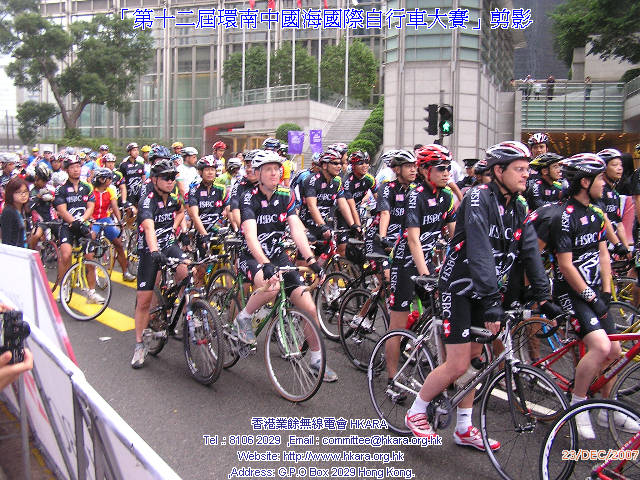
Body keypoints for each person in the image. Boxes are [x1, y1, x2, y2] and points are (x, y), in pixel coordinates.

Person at [405, 141, 563, 447]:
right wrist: (492, 301)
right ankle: (416, 410)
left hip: (486, 291)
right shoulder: (478, 197)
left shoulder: (518, 205)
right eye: (519, 169)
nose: (526, 174)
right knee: (458, 364)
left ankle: (464, 428)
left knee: (476, 361)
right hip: (459, 287)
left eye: (527, 169)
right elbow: (478, 249)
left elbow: (530, 250)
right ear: (499, 171)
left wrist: (544, 297)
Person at [534, 153, 634, 438]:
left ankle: (607, 408)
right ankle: (578, 406)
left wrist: (606, 291)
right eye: (600, 178)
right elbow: (565, 265)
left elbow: (602, 253)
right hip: (571, 292)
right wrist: (591, 297)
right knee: (601, 348)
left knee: (615, 352)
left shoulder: (597, 212)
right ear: (585, 182)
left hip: (594, 291)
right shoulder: (565, 216)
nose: (604, 183)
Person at [235, 149, 336, 381]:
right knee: (271, 287)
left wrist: (311, 261)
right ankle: (244, 316)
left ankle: (316, 360)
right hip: (251, 256)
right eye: (268, 169)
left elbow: (296, 229)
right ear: (258, 173)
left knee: (309, 308)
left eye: (277, 169)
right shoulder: (249, 197)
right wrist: (264, 263)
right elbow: (250, 235)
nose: (274, 173)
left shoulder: (286, 194)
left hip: (277, 254)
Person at [131, 158, 187, 369]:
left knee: (186, 271)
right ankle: (139, 344)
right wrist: (154, 250)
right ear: (154, 179)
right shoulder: (147, 201)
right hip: (150, 250)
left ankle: (189, 315)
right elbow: (148, 228)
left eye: (173, 177)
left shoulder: (173, 199)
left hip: (169, 245)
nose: (170, 181)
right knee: (144, 300)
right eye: (166, 178)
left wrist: (175, 228)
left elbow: (181, 211)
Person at [53, 155, 101, 302]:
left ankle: (91, 292)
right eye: (72, 167)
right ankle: (64, 287)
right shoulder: (61, 189)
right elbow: (61, 210)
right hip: (67, 227)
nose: (76, 170)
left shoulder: (87, 187)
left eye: (78, 166)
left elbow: (91, 206)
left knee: (90, 258)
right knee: (66, 255)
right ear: (67, 170)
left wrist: (82, 220)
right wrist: (73, 222)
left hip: (82, 225)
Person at [297, 149, 356, 259]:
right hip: (308, 226)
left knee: (324, 261)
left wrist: (353, 224)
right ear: (324, 165)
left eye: (340, 163)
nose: (339, 166)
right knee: (307, 263)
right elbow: (312, 206)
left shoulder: (337, 181)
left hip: (325, 226)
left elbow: (343, 204)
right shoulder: (311, 180)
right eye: (335, 163)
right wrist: (322, 226)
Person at [91, 168, 135, 282]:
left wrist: (119, 221)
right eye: (109, 178)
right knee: (90, 241)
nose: (111, 180)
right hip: (93, 219)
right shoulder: (91, 190)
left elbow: (114, 206)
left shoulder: (110, 191)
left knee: (119, 245)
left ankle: (125, 272)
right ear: (101, 179)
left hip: (105, 219)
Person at [27, 163, 56, 250]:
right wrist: (38, 197)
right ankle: (32, 252)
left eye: (46, 181)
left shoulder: (50, 189)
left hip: (51, 219)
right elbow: (29, 207)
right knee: (36, 235)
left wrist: (53, 200)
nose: (44, 183)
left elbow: (57, 204)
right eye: (43, 181)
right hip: (38, 221)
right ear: (36, 178)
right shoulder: (30, 190)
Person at [0, 177, 30, 247]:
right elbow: (6, 240)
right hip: (14, 251)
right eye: (18, 192)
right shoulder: (8, 212)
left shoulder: (24, 209)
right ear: (11, 194)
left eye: (25, 191)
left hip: (24, 249)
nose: (23, 195)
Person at [118, 143, 145, 216]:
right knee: (131, 213)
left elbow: (144, 179)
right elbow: (120, 179)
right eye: (134, 150)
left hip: (139, 192)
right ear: (129, 152)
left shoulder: (140, 165)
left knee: (141, 211)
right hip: (129, 192)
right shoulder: (123, 165)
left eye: (137, 150)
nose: (136, 152)